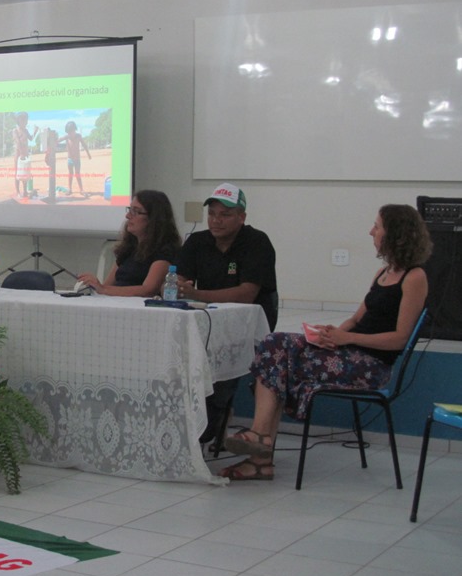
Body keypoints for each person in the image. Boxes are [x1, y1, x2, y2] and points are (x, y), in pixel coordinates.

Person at [221, 204, 431, 481]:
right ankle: (260, 447)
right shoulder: (382, 274)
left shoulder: (414, 277)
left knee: (279, 360)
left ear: (396, 234)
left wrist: (348, 338)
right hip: (350, 351)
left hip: (372, 365)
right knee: (274, 343)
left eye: (377, 226)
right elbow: (356, 319)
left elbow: (399, 339)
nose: (371, 232)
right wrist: (331, 336)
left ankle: (260, 449)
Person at [174, 182, 278, 445]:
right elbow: (180, 283)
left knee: (221, 353)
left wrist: (197, 295)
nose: (216, 221)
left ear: (241, 218)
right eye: (212, 214)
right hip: (208, 317)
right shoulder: (197, 241)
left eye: (225, 215)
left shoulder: (257, 242)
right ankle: (182, 417)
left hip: (248, 321)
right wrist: (181, 288)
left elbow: (246, 294)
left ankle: (214, 415)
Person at [77, 190, 181, 297]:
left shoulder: (165, 250)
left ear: (154, 218)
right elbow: (107, 286)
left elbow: (148, 290)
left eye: (136, 211)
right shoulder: (129, 247)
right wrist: (95, 286)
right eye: (130, 209)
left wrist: (103, 288)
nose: (128, 216)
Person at [57, 120, 92, 195]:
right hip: (70, 159)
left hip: (77, 159)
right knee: (70, 174)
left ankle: (81, 190)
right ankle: (69, 189)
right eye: (68, 133)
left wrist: (88, 154)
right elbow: (58, 140)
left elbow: (84, 145)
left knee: (77, 174)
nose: (70, 134)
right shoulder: (66, 137)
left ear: (74, 130)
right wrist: (52, 141)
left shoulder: (78, 136)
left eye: (71, 132)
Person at [11, 112, 38, 198]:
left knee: (25, 174)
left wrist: (35, 131)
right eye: (24, 120)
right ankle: (18, 192)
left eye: (26, 120)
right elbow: (18, 142)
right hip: (18, 155)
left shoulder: (25, 130)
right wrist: (21, 153)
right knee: (18, 174)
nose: (26, 122)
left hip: (25, 155)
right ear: (19, 120)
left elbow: (31, 138)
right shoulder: (15, 130)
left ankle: (25, 191)